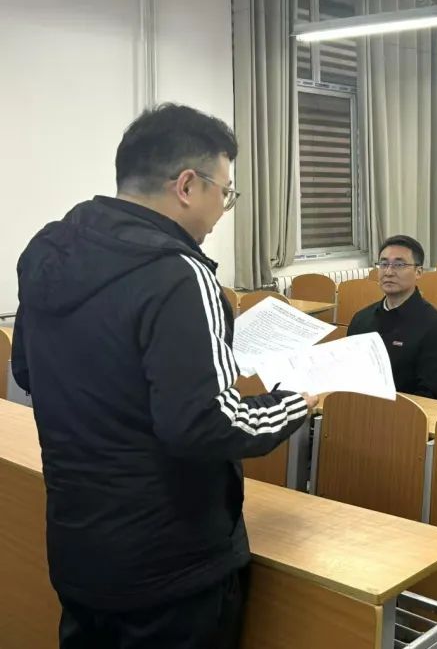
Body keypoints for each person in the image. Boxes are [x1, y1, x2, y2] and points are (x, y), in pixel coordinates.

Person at [11, 104, 316, 649]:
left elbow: (27, 371)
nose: (223, 208)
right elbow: (206, 424)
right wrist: (297, 400)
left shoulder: (49, 252)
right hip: (169, 561)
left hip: (79, 542)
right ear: (187, 186)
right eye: (226, 192)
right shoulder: (179, 273)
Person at [347, 234, 437, 400]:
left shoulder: (436, 327)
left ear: (418, 272)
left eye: (399, 265)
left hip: (407, 412)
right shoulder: (361, 319)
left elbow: (431, 394)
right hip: (359, 406)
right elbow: (349, 373)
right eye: (384, 264)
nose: (389, 272)